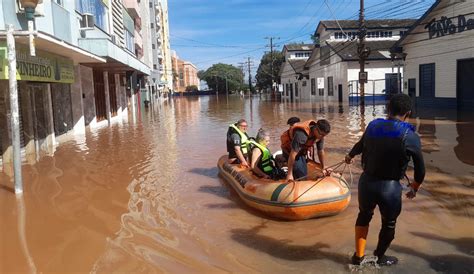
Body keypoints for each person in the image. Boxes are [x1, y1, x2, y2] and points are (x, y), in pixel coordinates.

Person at [345, 94, 425, 266]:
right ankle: (379, 257)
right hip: (390, 188)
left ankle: (358, 257)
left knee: (364, 215)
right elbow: (420, 169)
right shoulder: (410, 136)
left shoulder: (373, 125)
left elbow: (359, 145)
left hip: (366, 183)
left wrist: (350, 155)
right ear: (408, 113)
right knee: (389, 224)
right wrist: (415, 187)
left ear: (388, 109)